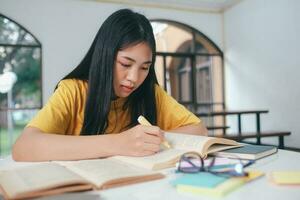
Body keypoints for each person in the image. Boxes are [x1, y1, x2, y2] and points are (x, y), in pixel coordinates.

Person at [12, 9, 207, 162]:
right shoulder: (73, 90)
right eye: (125, 64)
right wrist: (119, 143)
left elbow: (198, 130)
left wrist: (152, 138)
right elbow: (24, 147)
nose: (134, 78)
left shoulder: (150, 92)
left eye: (144, 67)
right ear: (105, 56)